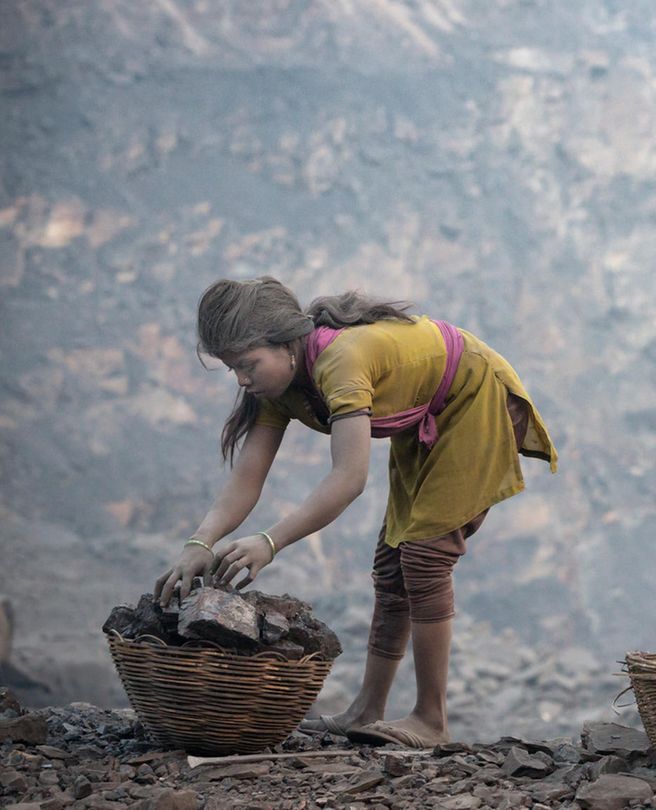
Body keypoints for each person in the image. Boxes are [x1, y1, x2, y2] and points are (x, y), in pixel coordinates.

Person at [154, 277, 558, 748]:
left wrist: (270, 542)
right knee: (392, 568)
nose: (242, 379)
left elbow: (349, 479)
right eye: (232, 369)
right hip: (426, 415)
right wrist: (198, 544)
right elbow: (248, 478)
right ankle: (367, 710)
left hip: (473, 398)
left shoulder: (340, 361)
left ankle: (432, 719)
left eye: (247, 365)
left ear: (286, 345)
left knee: (425, 559)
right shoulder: (275, 386)